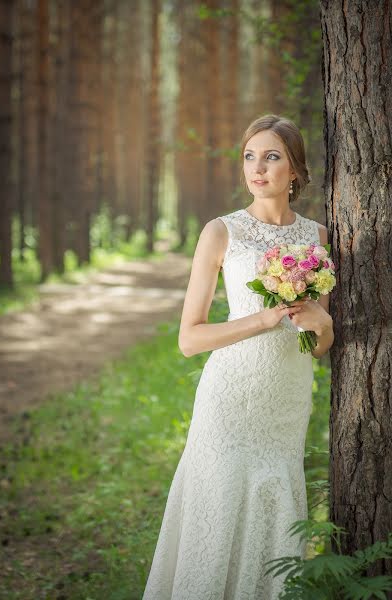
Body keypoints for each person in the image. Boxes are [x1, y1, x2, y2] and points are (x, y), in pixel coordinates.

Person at [142, 114, 334, 600]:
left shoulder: (318, 237)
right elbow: (190, 338)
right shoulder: (221, 232)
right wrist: (261, 320)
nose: (258, 167)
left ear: (295, 170)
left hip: (286, 402)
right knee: (220, 506)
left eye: (271, 156)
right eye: (250, 156)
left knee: (273, 511)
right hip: (231, 397)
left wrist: (325, 325)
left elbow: (318, 342)